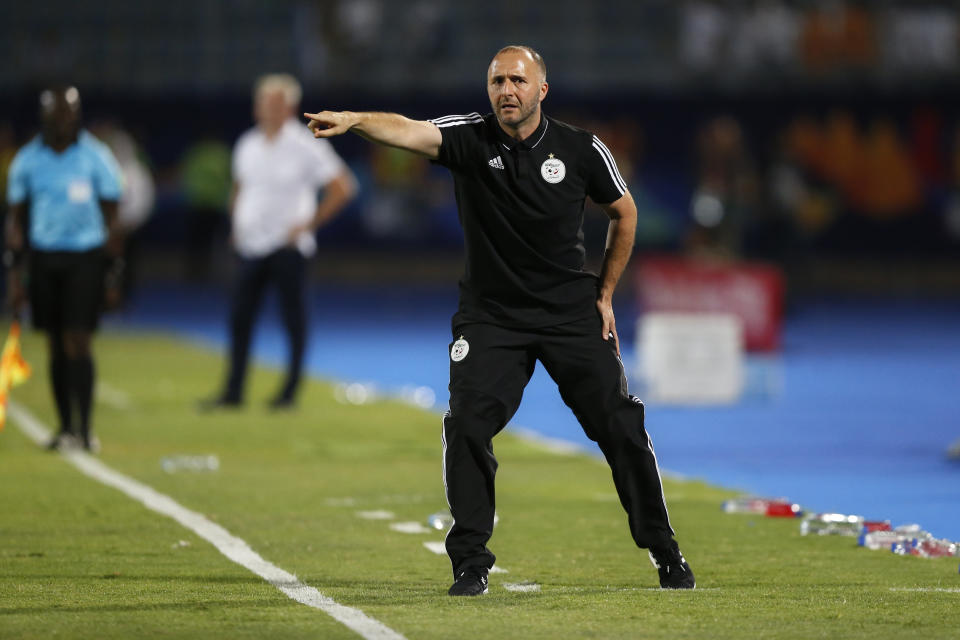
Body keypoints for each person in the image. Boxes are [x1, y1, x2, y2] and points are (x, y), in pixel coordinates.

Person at [304, 45, 695, 595]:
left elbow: (623, 212)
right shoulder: (468, 136)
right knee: (466, 424)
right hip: (492, 319)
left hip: (568, 316)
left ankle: (665, 551)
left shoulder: (581, 149)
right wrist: (355, 121)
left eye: (517, 80)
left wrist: (605, 293)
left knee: (621, 427)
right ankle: (470, 563)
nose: (506, 90)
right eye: (496, 82)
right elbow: (407, 131)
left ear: (542, 90)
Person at [203, 74, 356, 410]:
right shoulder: (247, 144)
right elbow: (240, 188)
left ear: (290, 107)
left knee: (293, 321)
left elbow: (343, 187)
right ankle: (233, 392)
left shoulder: (307, 143)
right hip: (250, 246)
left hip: (288, 248)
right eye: (263, 102)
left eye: (275, 102)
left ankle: (289, 393)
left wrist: (308, 225)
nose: (268, 109)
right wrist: (235, 223)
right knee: (239, 319)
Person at [5, 86, 123, 452]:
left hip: (84, 258)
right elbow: (16, 221)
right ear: (43, 116)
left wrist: (113, 270)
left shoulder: (95, 157)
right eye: (55, 113)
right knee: (56, 344)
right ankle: (65, 427)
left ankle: (85, 429)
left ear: (77, 114)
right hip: (44, 258)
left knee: (79, 340)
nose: (62, 120)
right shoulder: (27, 160)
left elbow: (113, 215)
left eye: (68, 112)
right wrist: (15, 275)